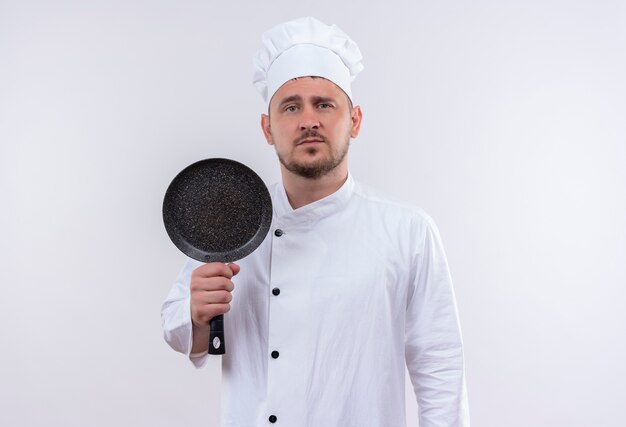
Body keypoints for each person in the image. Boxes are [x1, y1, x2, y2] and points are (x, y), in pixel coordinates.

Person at [162, 16, 470, 427]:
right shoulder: (236, 218)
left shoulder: (408, 230)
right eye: (291, 107)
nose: (309, 120)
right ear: (267, 128)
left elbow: (440, 368)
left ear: (354, 120)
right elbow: (177, 325)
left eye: (324, 104)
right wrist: (196, 313)